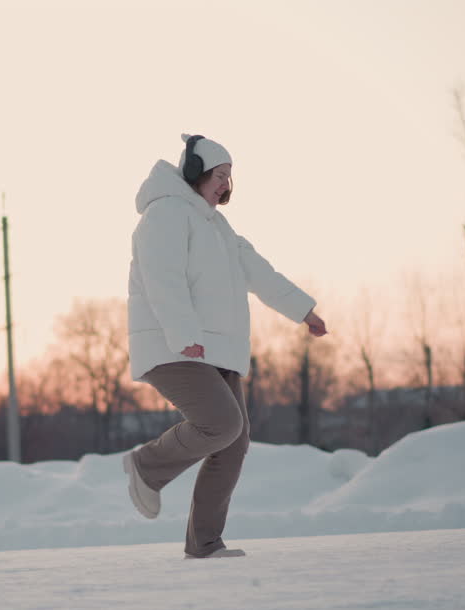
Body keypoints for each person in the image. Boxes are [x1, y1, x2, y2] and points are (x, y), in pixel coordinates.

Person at [123, 133, 327, 559]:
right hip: (173, 345)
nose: (226, 184)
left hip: (212, 351)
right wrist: (184, 335)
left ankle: (205, 543)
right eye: (219, 174)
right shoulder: (165, 215)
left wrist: (303, 311)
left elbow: (261, 273)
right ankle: (147, 465)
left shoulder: (219, 228)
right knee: (220, 424)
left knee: (233, 441)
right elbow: (164, 280)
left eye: (230, 177)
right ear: (195, 172)